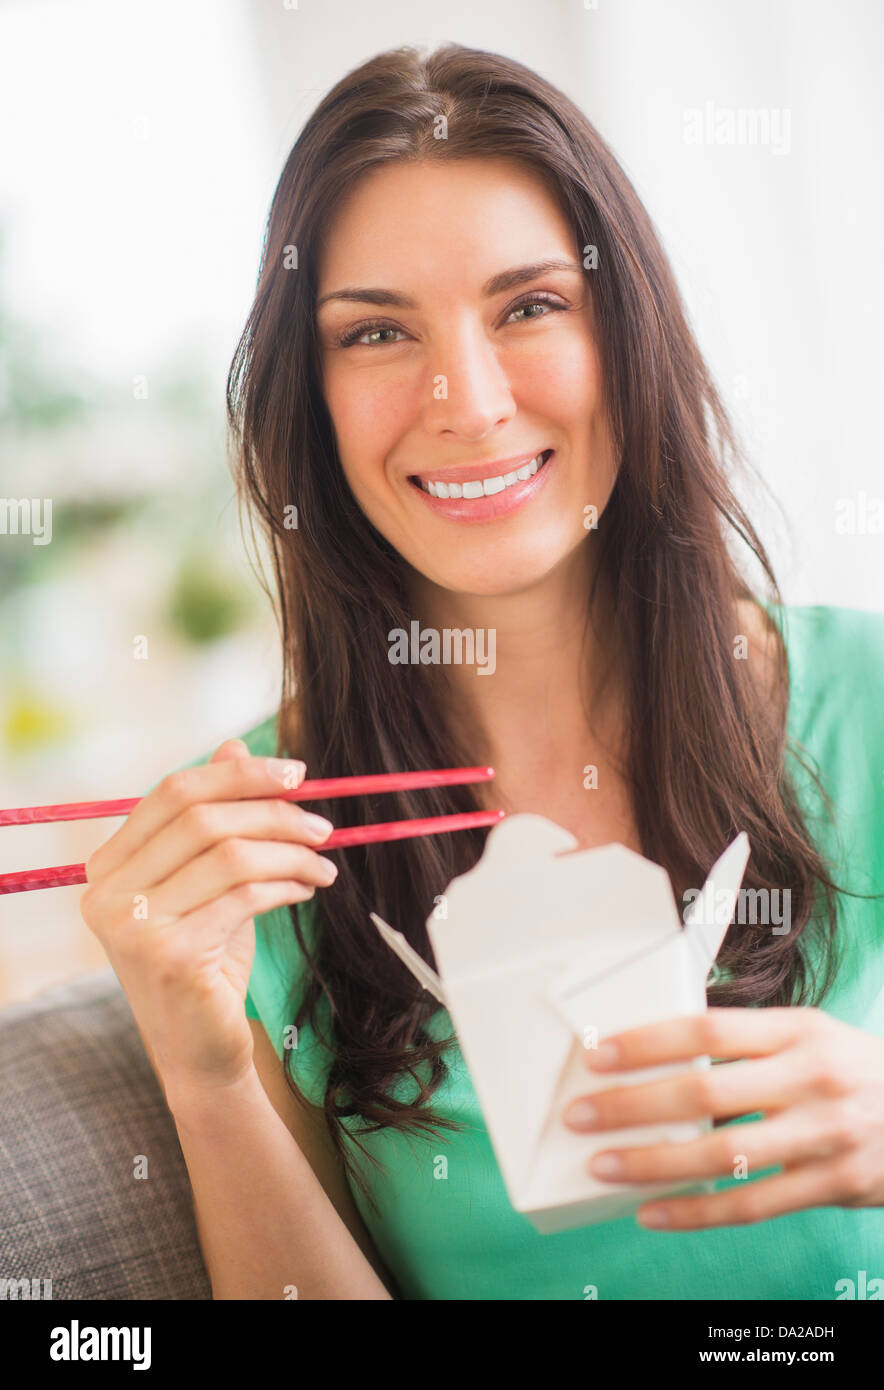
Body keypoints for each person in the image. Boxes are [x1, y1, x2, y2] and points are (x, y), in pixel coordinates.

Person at [80, 43, 884, 1300]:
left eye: (528, 306)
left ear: (629, 335)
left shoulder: (869, 697)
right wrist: (207, 1077)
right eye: (378, 331)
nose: (466, 401)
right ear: (312, 398)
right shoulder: (247, 844)